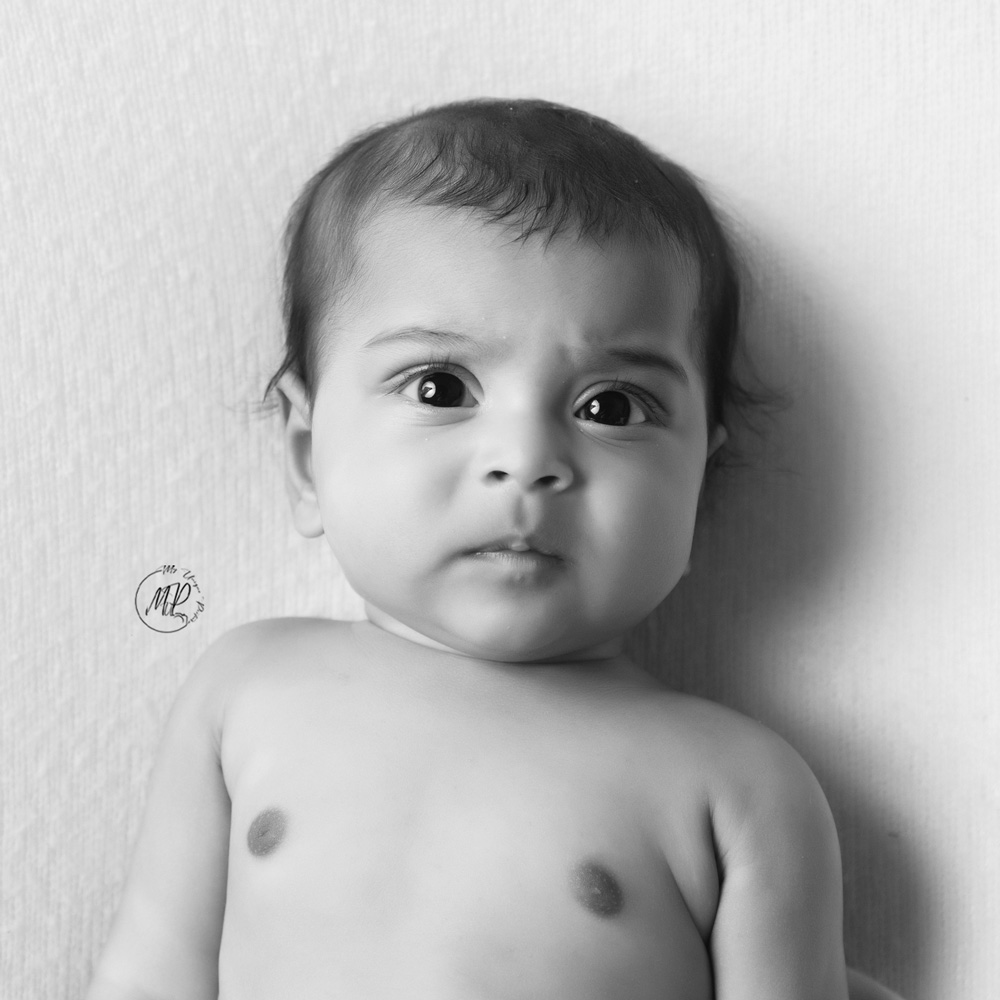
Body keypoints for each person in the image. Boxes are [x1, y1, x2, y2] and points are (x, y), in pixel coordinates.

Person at [87, 99, 900, 1000]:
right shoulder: (245, 690)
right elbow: (148, 972)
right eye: (441, 387)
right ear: (307, 456)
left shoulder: (737, 790)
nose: (526, 458)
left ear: (698, 483)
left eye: (612, 407)